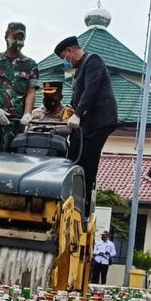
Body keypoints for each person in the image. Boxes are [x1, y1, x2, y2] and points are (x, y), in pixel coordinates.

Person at [55, 35, 118, 215]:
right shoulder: (80, 69)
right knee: (74, 155)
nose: (65, 62)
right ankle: (72, 200)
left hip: (98, 121)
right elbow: (78, 97)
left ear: (70, 51)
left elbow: (91, 90)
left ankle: (83, 208)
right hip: (86, 124)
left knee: (87, 161)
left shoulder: (93, 61)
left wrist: (77, 114)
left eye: (64, 57)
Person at [0, 22, 39, 156]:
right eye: (14, 36)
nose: (17, 41)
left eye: (21, 38)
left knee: (11, 161)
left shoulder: (30, 64)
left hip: (15, 122)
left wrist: (27, 113)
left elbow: (31, 91)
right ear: (6, 36)